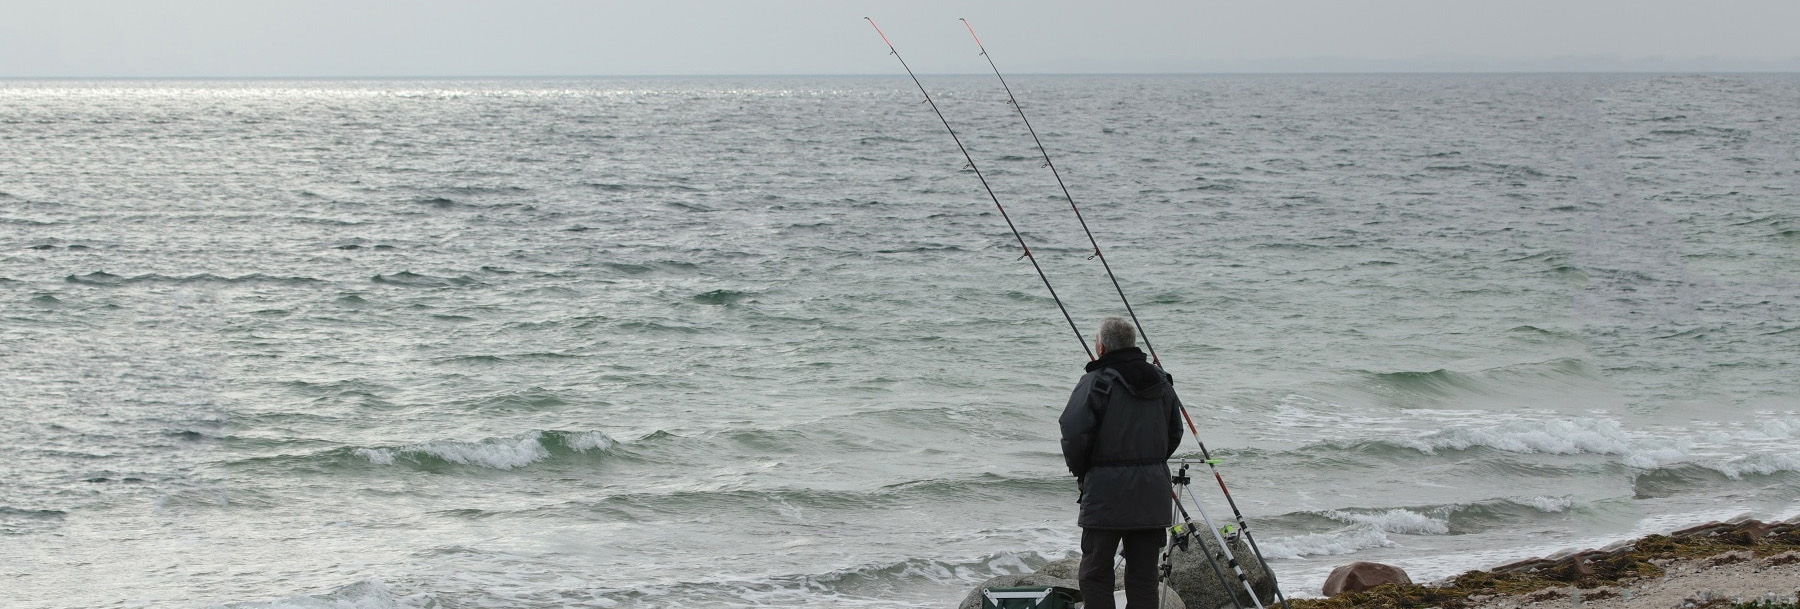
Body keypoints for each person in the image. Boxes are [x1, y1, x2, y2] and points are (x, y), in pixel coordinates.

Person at [1058, 316, 1184, 609]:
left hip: (1106, 495)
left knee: (1095, 574)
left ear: (1101, 347)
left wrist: (1083, 470)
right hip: (1152, 493)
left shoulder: (1095, 382)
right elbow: (1174, 432)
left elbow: (1073, 433)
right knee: (1143, 578)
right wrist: (1151, 464)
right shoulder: (1161, 381)